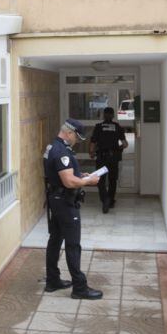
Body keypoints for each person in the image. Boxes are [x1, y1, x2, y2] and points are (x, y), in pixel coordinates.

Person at [42, 119, 103, 299]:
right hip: (65, 203)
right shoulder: (62, 152)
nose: (77, 140)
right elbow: (68, 181)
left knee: (55, 240)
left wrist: (79, 175)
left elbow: (64, 175)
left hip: (56, 199)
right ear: (69, 133)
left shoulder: (53, 146)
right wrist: (88, 181)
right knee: (73, 245)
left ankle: (53, 281)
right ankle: (80, 288)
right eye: (77, 137)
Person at [89, 107, 128, 213]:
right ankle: (110, 201)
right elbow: (125, 144)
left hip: (101, 158)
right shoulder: (117, 127)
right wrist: (118, 148)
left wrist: (92, 153)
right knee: (112, 180)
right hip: (113, 158)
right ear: (113, 115)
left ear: (104, 115)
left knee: (100, 180)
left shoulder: (98, 127)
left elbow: (93, 142)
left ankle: (105, 199)